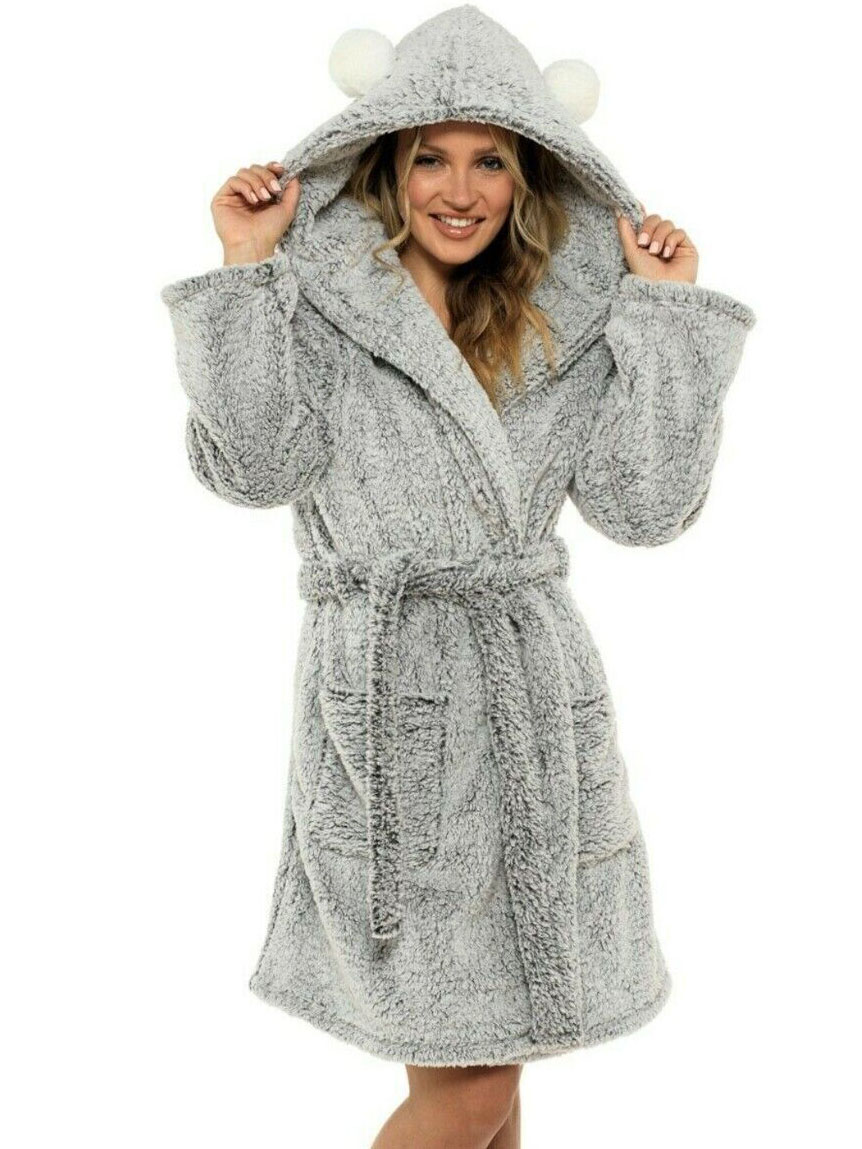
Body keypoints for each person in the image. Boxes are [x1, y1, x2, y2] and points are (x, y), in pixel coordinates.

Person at [160, 6, 756, 1146]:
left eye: (491, 161)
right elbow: (254, 468)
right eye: (430, 156)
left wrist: (667, 318)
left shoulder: (562, 313)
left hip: (535, 701)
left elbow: (643, 508)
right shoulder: (320, 301)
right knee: (470, 1081)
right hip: (390, 705)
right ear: (386, 163)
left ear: (530, 175)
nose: (459, 189)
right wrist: (244, 270)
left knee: (499, 1072)